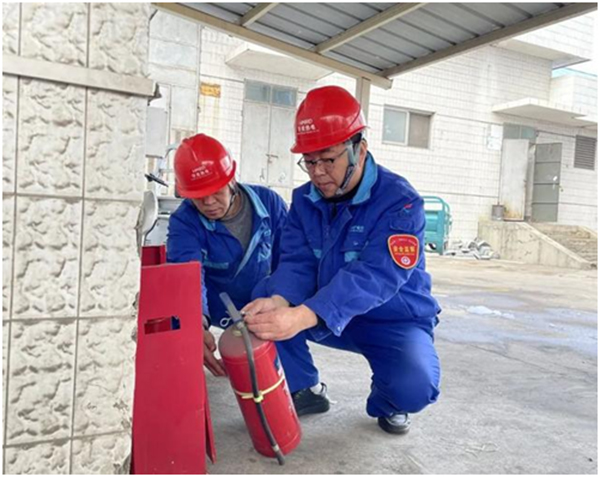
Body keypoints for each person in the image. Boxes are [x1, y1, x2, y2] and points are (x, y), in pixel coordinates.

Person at [243, 86, 441, 435]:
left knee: (414, 386)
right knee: (266, 305)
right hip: (326, 312)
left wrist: (303, 315)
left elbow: (376, 275)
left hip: (390, 319)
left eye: (328, 159)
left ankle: (388, 399)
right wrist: (280, 301)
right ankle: (304, 388)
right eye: (309, 161)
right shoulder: (305, 200)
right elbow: (297, 261)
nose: (318, 172)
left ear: (359, 150)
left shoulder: (401, 202)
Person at [167, 133, 288, 377]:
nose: (209, 202)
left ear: (231, 179)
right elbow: (188, 276)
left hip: (263, 302)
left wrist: (282, 303)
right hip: (216, 305)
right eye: (198, 196)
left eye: (215, 191)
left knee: (272, 372)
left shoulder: (269, 203)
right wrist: (195, 325)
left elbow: (288, 261)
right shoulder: (184, 221)